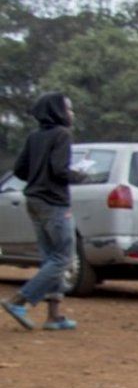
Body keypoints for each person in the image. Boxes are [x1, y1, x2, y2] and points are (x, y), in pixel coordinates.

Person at [2, 92, 85, 331]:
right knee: (63, 258)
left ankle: (54, 315)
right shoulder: (62, 135)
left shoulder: (35, 136)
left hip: (34, 200)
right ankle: (19, 300)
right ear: (57, 112)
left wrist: (38, 177)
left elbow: (19, 169)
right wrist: (78, 175)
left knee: (50, 258)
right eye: (68, 109)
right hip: (54, 202)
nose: (72, 114)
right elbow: (60, 170)